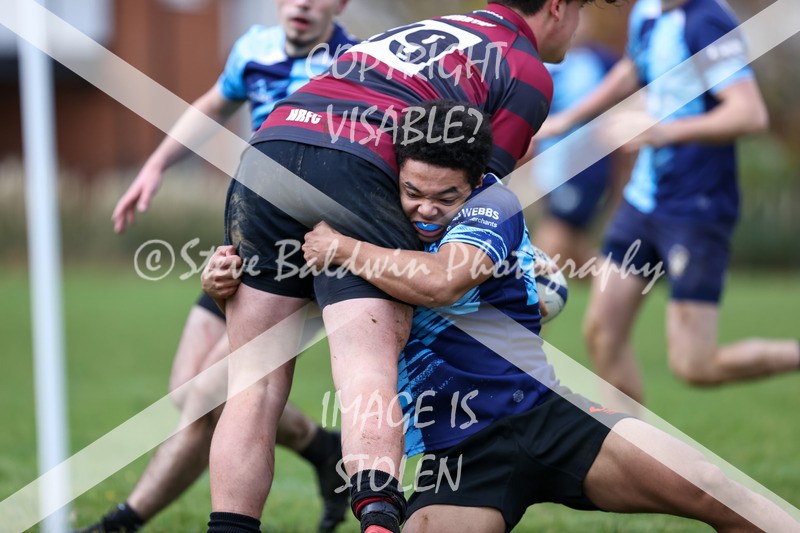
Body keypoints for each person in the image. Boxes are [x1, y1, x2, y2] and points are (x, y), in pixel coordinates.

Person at [207, 100, 799, 532]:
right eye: (414, 192)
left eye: (446, 197)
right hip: (457, 461)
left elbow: (442, 281)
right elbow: (291, 309)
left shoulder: (496, 206)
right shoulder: (372, 224)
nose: (427, 209)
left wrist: (342, 248)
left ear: (476, 185)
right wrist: (226, 284)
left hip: (551, 417)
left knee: (717, 490)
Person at [206, 2, 622, 532]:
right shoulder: (525, 66)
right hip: (356, 158)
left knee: (253, 384)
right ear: (558, 8)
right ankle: (380, 522)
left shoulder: (425, 28)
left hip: (269, 146)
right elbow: (469, 199)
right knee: (366, 365)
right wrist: (512, 268)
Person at [77, 2, 357, 532]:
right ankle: (323, 449)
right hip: (249, 238)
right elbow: (211, 106)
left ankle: (122, 522)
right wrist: (156, 166)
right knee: (189, 391)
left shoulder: (355, 65)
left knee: (211, 394)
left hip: (304, 256)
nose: (302, 3)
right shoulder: (252, 48)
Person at [539, 0, 800, 411]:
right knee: (603, 332)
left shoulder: (705, 22)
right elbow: (631, 69)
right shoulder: (648, 11)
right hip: (644, 200)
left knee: (695, 365)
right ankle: (633, 443)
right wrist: (569, 119)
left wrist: (664, 131)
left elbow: (749, 113)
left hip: (695, 208)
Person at [528, 26, 624, 270]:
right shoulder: (540, 62)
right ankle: (621, 277)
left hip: (583, 166)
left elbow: (627, 100)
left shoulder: (603, 62)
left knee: (555, 231)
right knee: (573, 242)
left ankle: (524, 287)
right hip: (551, 164)